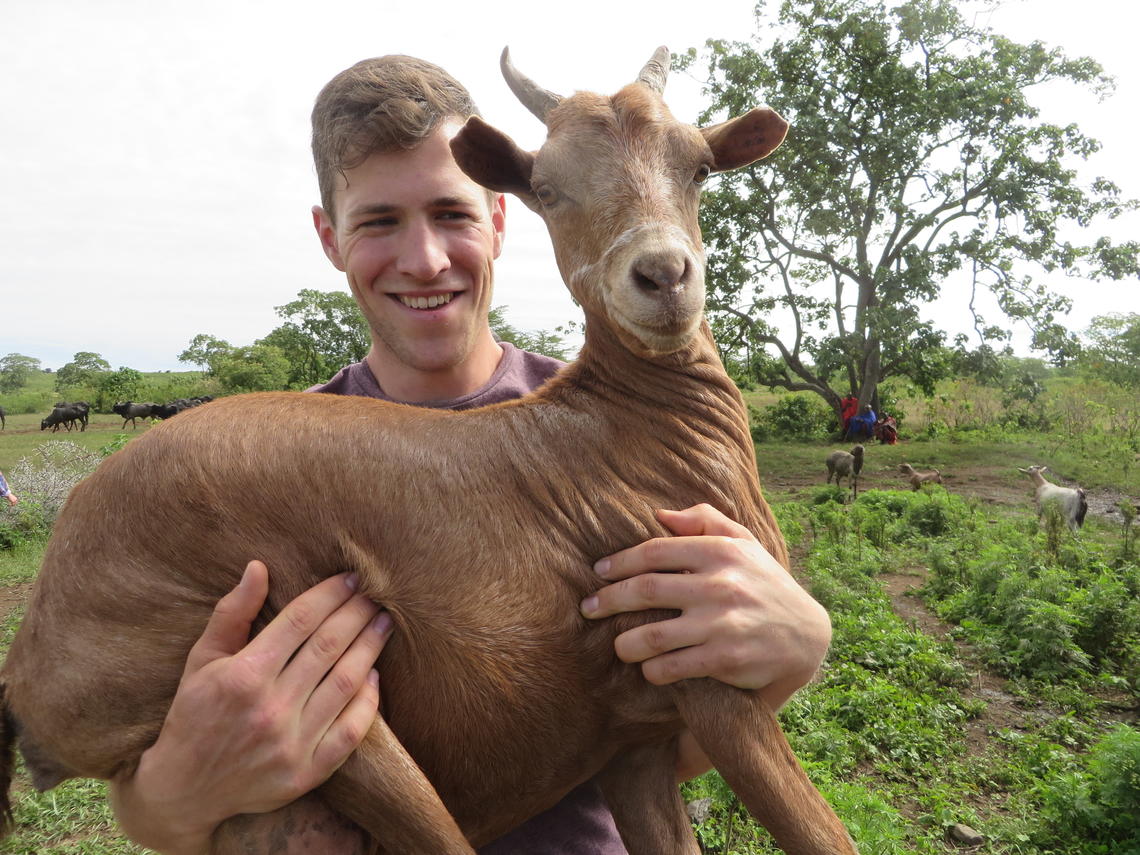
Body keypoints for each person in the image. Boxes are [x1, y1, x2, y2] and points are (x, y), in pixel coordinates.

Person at [109, 55, 832, 855]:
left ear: (498, 215)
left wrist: (796, 650)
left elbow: (658, 729)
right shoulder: (259, 467)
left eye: (451, 213)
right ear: (329, 236)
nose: (423, 260)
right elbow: (147, 757)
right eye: (380, 221)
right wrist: (170, 796)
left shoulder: (636, 431)